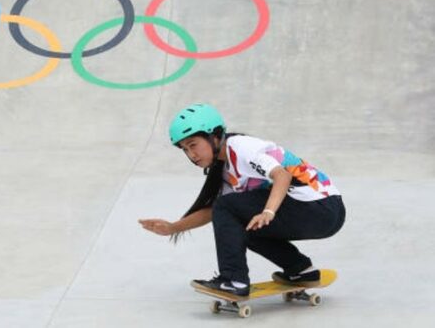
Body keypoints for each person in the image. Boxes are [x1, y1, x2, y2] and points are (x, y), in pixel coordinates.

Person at [138, 103, 346, 296]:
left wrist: (268, 212)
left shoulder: (241, 147)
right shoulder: (226, 169)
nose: (191, 154)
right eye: (185, 149)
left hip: (321, 207)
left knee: (235, 212)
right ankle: (300, 270)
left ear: (215, 136)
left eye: (193, 144)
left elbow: (282, 175)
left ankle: (233, 280)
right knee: (239, 224)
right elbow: (217, 213)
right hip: (320, 213)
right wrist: (174, 227)